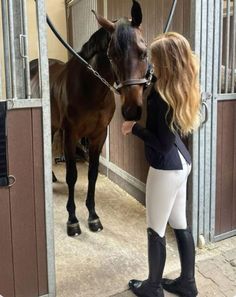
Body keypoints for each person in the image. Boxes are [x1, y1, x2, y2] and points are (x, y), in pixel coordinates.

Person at [121, 32, 201, 297]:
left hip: (166, 169)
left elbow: (162, 143)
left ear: (165, 62)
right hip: (182, 165)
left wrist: (134, 128)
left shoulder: (160, 97)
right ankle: (187, 284)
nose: (150, 63)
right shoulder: (177, 85)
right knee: (180, 223)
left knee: (155, 229)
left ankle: (153, 288)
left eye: (154, 58)